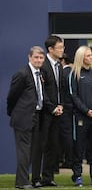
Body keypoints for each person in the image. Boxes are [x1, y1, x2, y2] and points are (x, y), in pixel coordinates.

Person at [7, 46, 45, 189]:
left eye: (41, 58)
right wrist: (13, 111)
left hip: (36, 116)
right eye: (36, 57)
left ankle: (21, 181)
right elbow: (12, 96)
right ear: (29, 57)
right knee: (24, 151)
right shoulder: (22, 74)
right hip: (23, 118)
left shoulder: (40, 73)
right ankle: (23, 182)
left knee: (31, 152)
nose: (39, 60)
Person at [68, 46, 92, 186]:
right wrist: (86, 110)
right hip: (81, 118)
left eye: (91, 55)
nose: (91, 58)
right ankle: (77, 175)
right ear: (81, 57)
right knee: (79, 148)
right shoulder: (74, 73)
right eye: (89, 55)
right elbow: (74, 96)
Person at [31, 36, 64, 187]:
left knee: (53, 145)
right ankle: (36, 178)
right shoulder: (43, 67)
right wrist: (52, 107)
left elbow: (60, 89)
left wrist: (60, 105)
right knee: (40, 146)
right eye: (60, 47)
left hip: (58, 112)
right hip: (44, 113)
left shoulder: (59, 66)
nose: (62, 50)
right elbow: (41, 91)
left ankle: (47, 177)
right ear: (50, 49)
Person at [58, 53, 74, 169]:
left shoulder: (63, 73)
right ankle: (70, 159)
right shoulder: (73, 72)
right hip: (73, 107)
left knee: (66, 135)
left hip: (65, 107)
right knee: (70, 134)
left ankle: (68, 160)